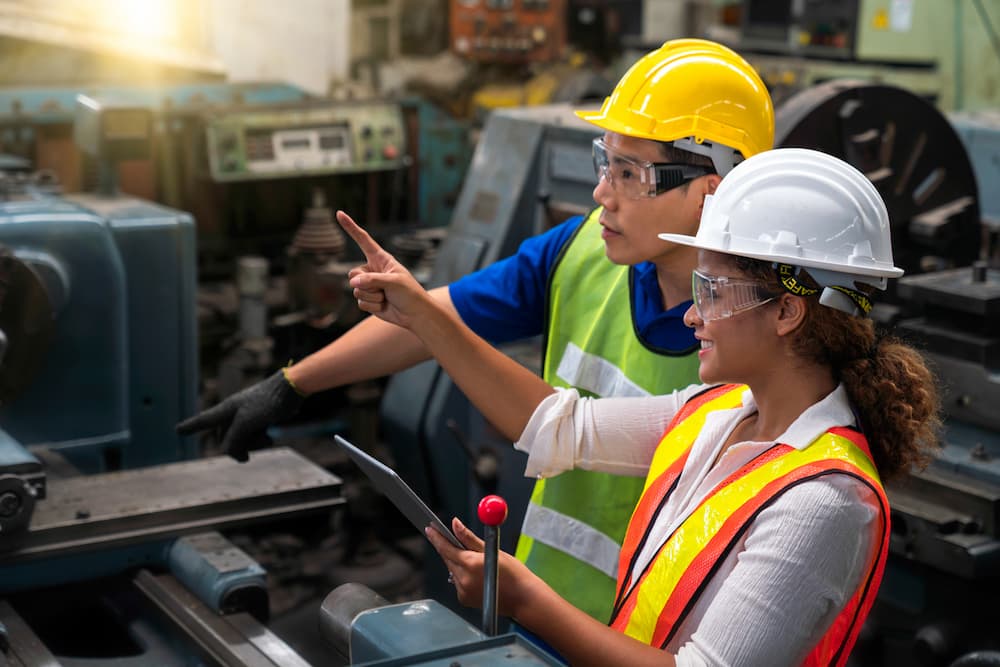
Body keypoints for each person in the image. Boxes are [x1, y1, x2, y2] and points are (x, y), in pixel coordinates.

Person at [176, 38, 774, 622]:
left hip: (649, 637)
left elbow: (552, 423)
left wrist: (423, 318)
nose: (601, 194)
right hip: (540, 608)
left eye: (628, 173)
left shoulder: (757, 345)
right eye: (603, 162)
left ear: (710, 191)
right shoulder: (582, 251)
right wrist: (289, 385)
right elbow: (430, 320)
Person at [335, 147, 941, 666]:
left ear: (788, 311)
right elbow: (557, 425)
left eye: (713, 290)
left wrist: (528, 600)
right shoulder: (716, 412)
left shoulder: (824, 503)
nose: (692, 314)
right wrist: (421, 314)